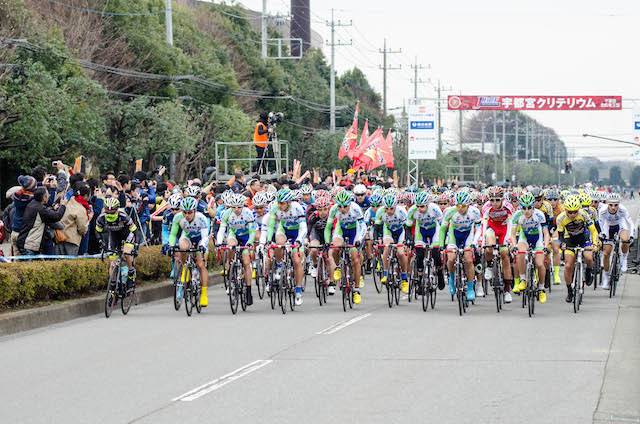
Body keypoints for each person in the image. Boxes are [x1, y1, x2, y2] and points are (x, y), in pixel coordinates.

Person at [169, 197, 210, 307]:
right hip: (187, 236)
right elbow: (173, 234)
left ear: (195, 211)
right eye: (184, 212)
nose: (187, 215)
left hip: (200, 239)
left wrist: (201, 246)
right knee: (182, 246)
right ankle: (185, 269)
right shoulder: (178, 218)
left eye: (190, 212)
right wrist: (171, 246)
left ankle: (204, 294)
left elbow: (205, 237)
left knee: (201, 265)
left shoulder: (201, 218)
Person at [96, 198, 141, 291]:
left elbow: (136, 232)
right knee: (112, 265)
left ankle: (131, 272)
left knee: (127, 253)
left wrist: (136, 246)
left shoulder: (123, 216)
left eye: (112, 212)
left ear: (117, 210)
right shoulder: (101, 218)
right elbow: (97, 232)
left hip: (127, 235)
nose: (109, 215)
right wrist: (101, 242)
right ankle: (113, 287)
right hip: (114, 237)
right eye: (108, 212)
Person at [16, 187, 68, 256]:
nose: (49, 196)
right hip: (29, 245)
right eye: (47, 195)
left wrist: (53, 208)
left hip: (27, 243)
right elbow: (56, 217)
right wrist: (63, 206)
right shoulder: (40, 208)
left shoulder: (33, 204)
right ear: (43, 198)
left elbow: (45, 212)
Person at [56, 182, 92, 256]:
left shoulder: (69, 201)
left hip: (60, 237)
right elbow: (82, 229)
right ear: (86, 196)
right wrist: (88, 220)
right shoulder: (81, 209)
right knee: (69, 264)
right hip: (71, 240)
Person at [10, 175, 37, 253]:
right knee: (25, 260)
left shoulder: (17, 196)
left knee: (17, 260)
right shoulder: (31, 200)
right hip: (23, 234)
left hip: (14, 231)